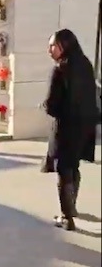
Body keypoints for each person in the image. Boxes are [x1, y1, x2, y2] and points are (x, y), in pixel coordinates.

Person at [41, 29, 99, 231]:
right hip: (84, 129)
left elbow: (51, 105)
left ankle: (67, 217)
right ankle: (72, 206)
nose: (49, 50)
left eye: (52, 45)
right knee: (74, 167)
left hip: (65, 130)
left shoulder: (60, 69)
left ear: (63, 46)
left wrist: (45, 106)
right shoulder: (86, 65)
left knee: (64, 171)